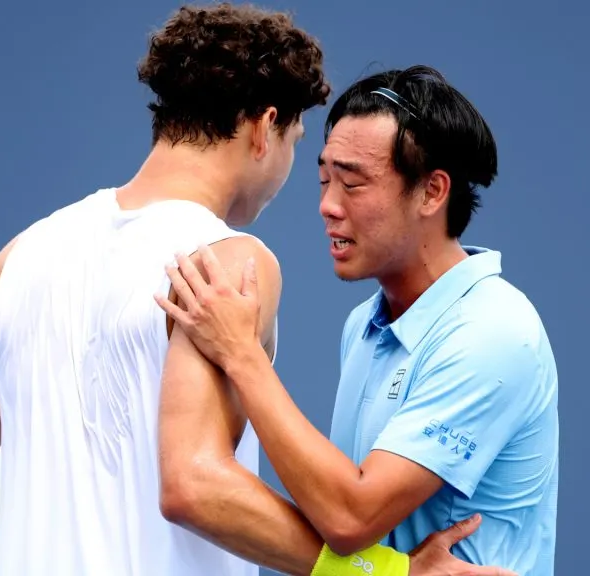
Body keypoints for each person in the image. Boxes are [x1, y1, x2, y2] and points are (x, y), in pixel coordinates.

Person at [0, 5, 515, 576]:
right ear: (265, 128)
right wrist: (380, 571)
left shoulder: (18, 258)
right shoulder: (229, 263)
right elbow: (195, 486)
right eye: (299, 151)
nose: (311, 193)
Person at [156, 64, 560, 576]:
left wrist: (240, 353)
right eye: (325, 179)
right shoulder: (363, 326)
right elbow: (343, 528)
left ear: (433, 193)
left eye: (353, 184)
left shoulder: (494, 333)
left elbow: (350, 517)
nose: (327, 206)